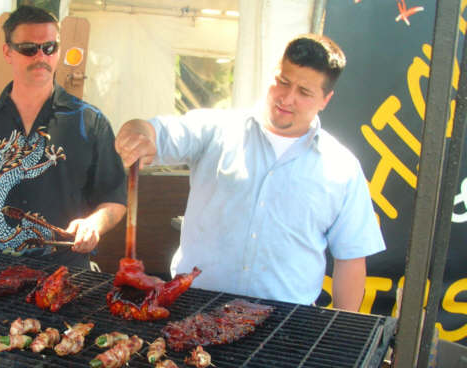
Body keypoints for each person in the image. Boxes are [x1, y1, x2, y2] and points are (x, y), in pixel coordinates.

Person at [115, 34, 385, 311]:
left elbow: (351, 258)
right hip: (194, 307)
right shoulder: (216, 130)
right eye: (283, 81)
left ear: (325, 99)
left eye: (304, 93)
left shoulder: (341, 167)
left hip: (288, 322)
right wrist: (139, 131)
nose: (287, 98)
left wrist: (344, 329)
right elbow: (161, 132)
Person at [0, 5, 126, 269]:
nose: (41, 56)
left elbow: (115, 198)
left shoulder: (90, 122)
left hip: (65, 273)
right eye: (29, 49)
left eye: (49, 48)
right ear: (8, 52)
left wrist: (94, 224)